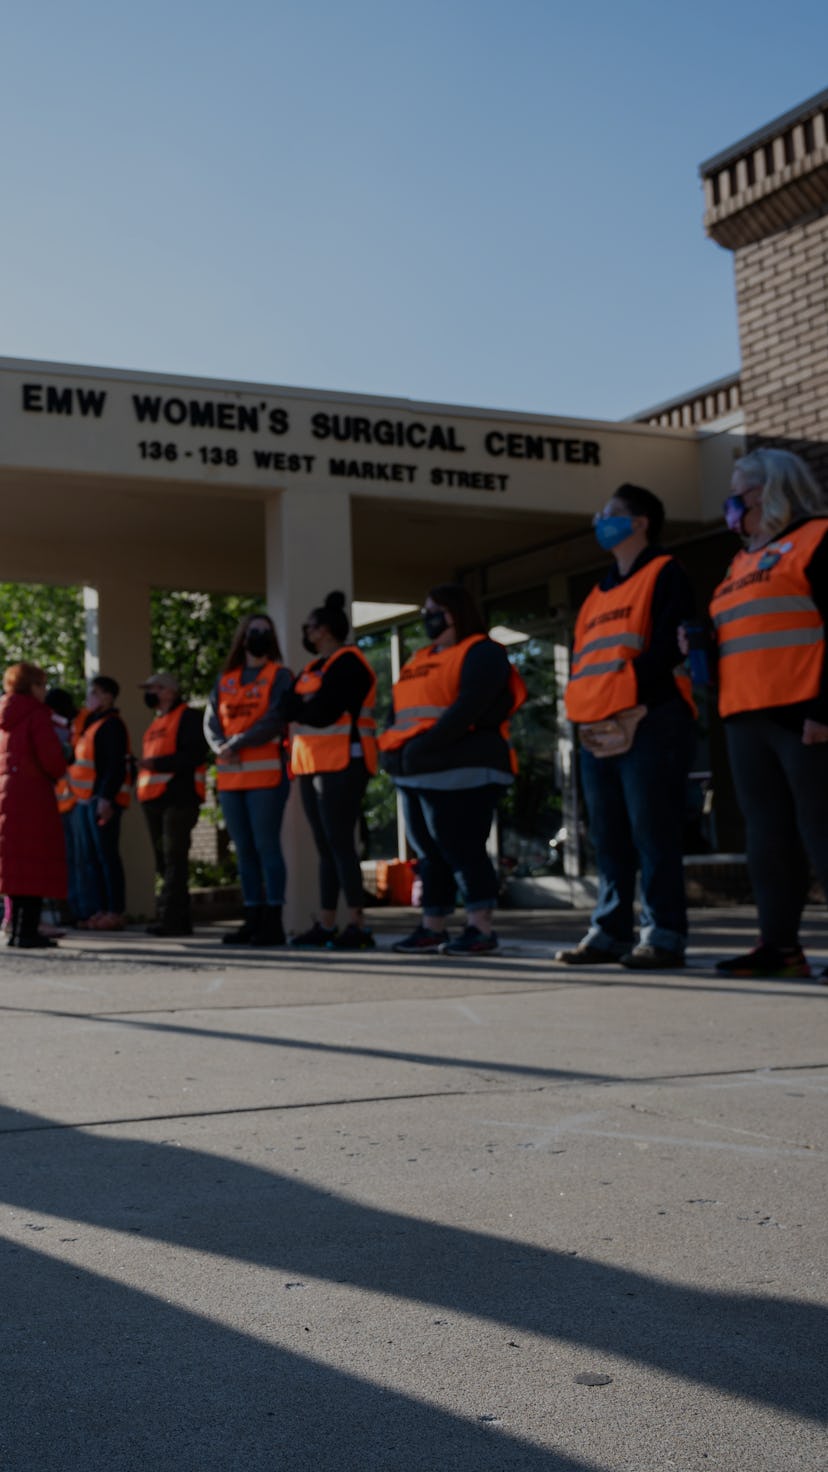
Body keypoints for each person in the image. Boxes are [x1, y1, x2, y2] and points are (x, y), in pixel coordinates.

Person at [557, 483, 697, 970]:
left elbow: (667, 648)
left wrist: (626, 693)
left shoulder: (665, 572)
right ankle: (610, 928)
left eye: (611, 513)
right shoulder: (597, 593)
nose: (600, 520)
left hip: (650, 718)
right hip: (599, 725)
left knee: (652, 831)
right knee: (609, 836)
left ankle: (664, 933)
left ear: (640, 523)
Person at [705, 447, 828, 980]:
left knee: (822, 832)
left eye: (740, 492)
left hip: (804, 714)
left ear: (769, 491)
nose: (732, 504)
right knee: (767, 840)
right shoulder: (740, 560)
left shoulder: (818, 537)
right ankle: (779, 947)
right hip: (745, 717)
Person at [378, 583, 525, 955]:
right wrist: (393, 751)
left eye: (435, 610)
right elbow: (398, 714)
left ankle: (481, 928)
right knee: (429, 852)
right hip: (416, 771)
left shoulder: (482, 652)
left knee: (462, 848)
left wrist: (424, 747)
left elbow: (471, 708)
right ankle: (433, 926)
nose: (427, 617)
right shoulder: (417, 659)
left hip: (464, 769)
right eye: (425, 610)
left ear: (455, 612)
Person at [279, 590, 378, 950]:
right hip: (309, 764)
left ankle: (357, 924)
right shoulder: (311, 669)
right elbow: (287, 706)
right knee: (325, 846)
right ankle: (326, 923)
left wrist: (305, 705)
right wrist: (306, 703)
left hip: (343, 763)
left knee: (340, 843)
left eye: (309, 627)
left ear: (325, 629)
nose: (305, 632)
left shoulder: (349, 662)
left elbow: (325, 711)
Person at [204, 611, 292, 946]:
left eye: (265, 632)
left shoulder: (279, 675)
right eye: (253, 631)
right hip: (231, 779)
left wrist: (237, 743)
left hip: (267, 776)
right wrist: (220, 745)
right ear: (242, 637)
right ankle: (251, 917)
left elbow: (274, 718)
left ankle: (274, 921)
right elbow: (211, 720)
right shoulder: (226, 679)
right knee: (244, 851)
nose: (258, 636)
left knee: (266, 846)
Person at [0, 663, 67, 948]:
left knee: (15, 867)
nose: (45, 691)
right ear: (32, 687)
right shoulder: (37, 716)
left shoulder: (5, 716)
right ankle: (27, 932)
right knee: (36, 863)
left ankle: (16, 930)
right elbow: (52, 760)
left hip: (8, 798)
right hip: (33, 799)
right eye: (42, 685)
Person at [137, 672, 209, 937]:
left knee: (174, 860)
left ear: (169, 691)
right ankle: (178, 918)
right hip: (154, 799)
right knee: (164, 863)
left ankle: (172, 920)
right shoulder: (157, 722)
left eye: (154, 687)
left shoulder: (188, 717)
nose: (150, 693)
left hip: (179, 799)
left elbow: (194, 754)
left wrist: (157, 765)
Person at [68, 675, 132, 931]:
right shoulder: (90, 724)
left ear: (108, 696)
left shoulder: (112, 725)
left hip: (101, 801)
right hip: (85, 801)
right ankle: (99, 910)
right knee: (92, 858)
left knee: (107, 857)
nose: (90, 697)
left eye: (95, 693)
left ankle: (114, 911)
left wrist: (106, 798)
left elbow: (114, 767)